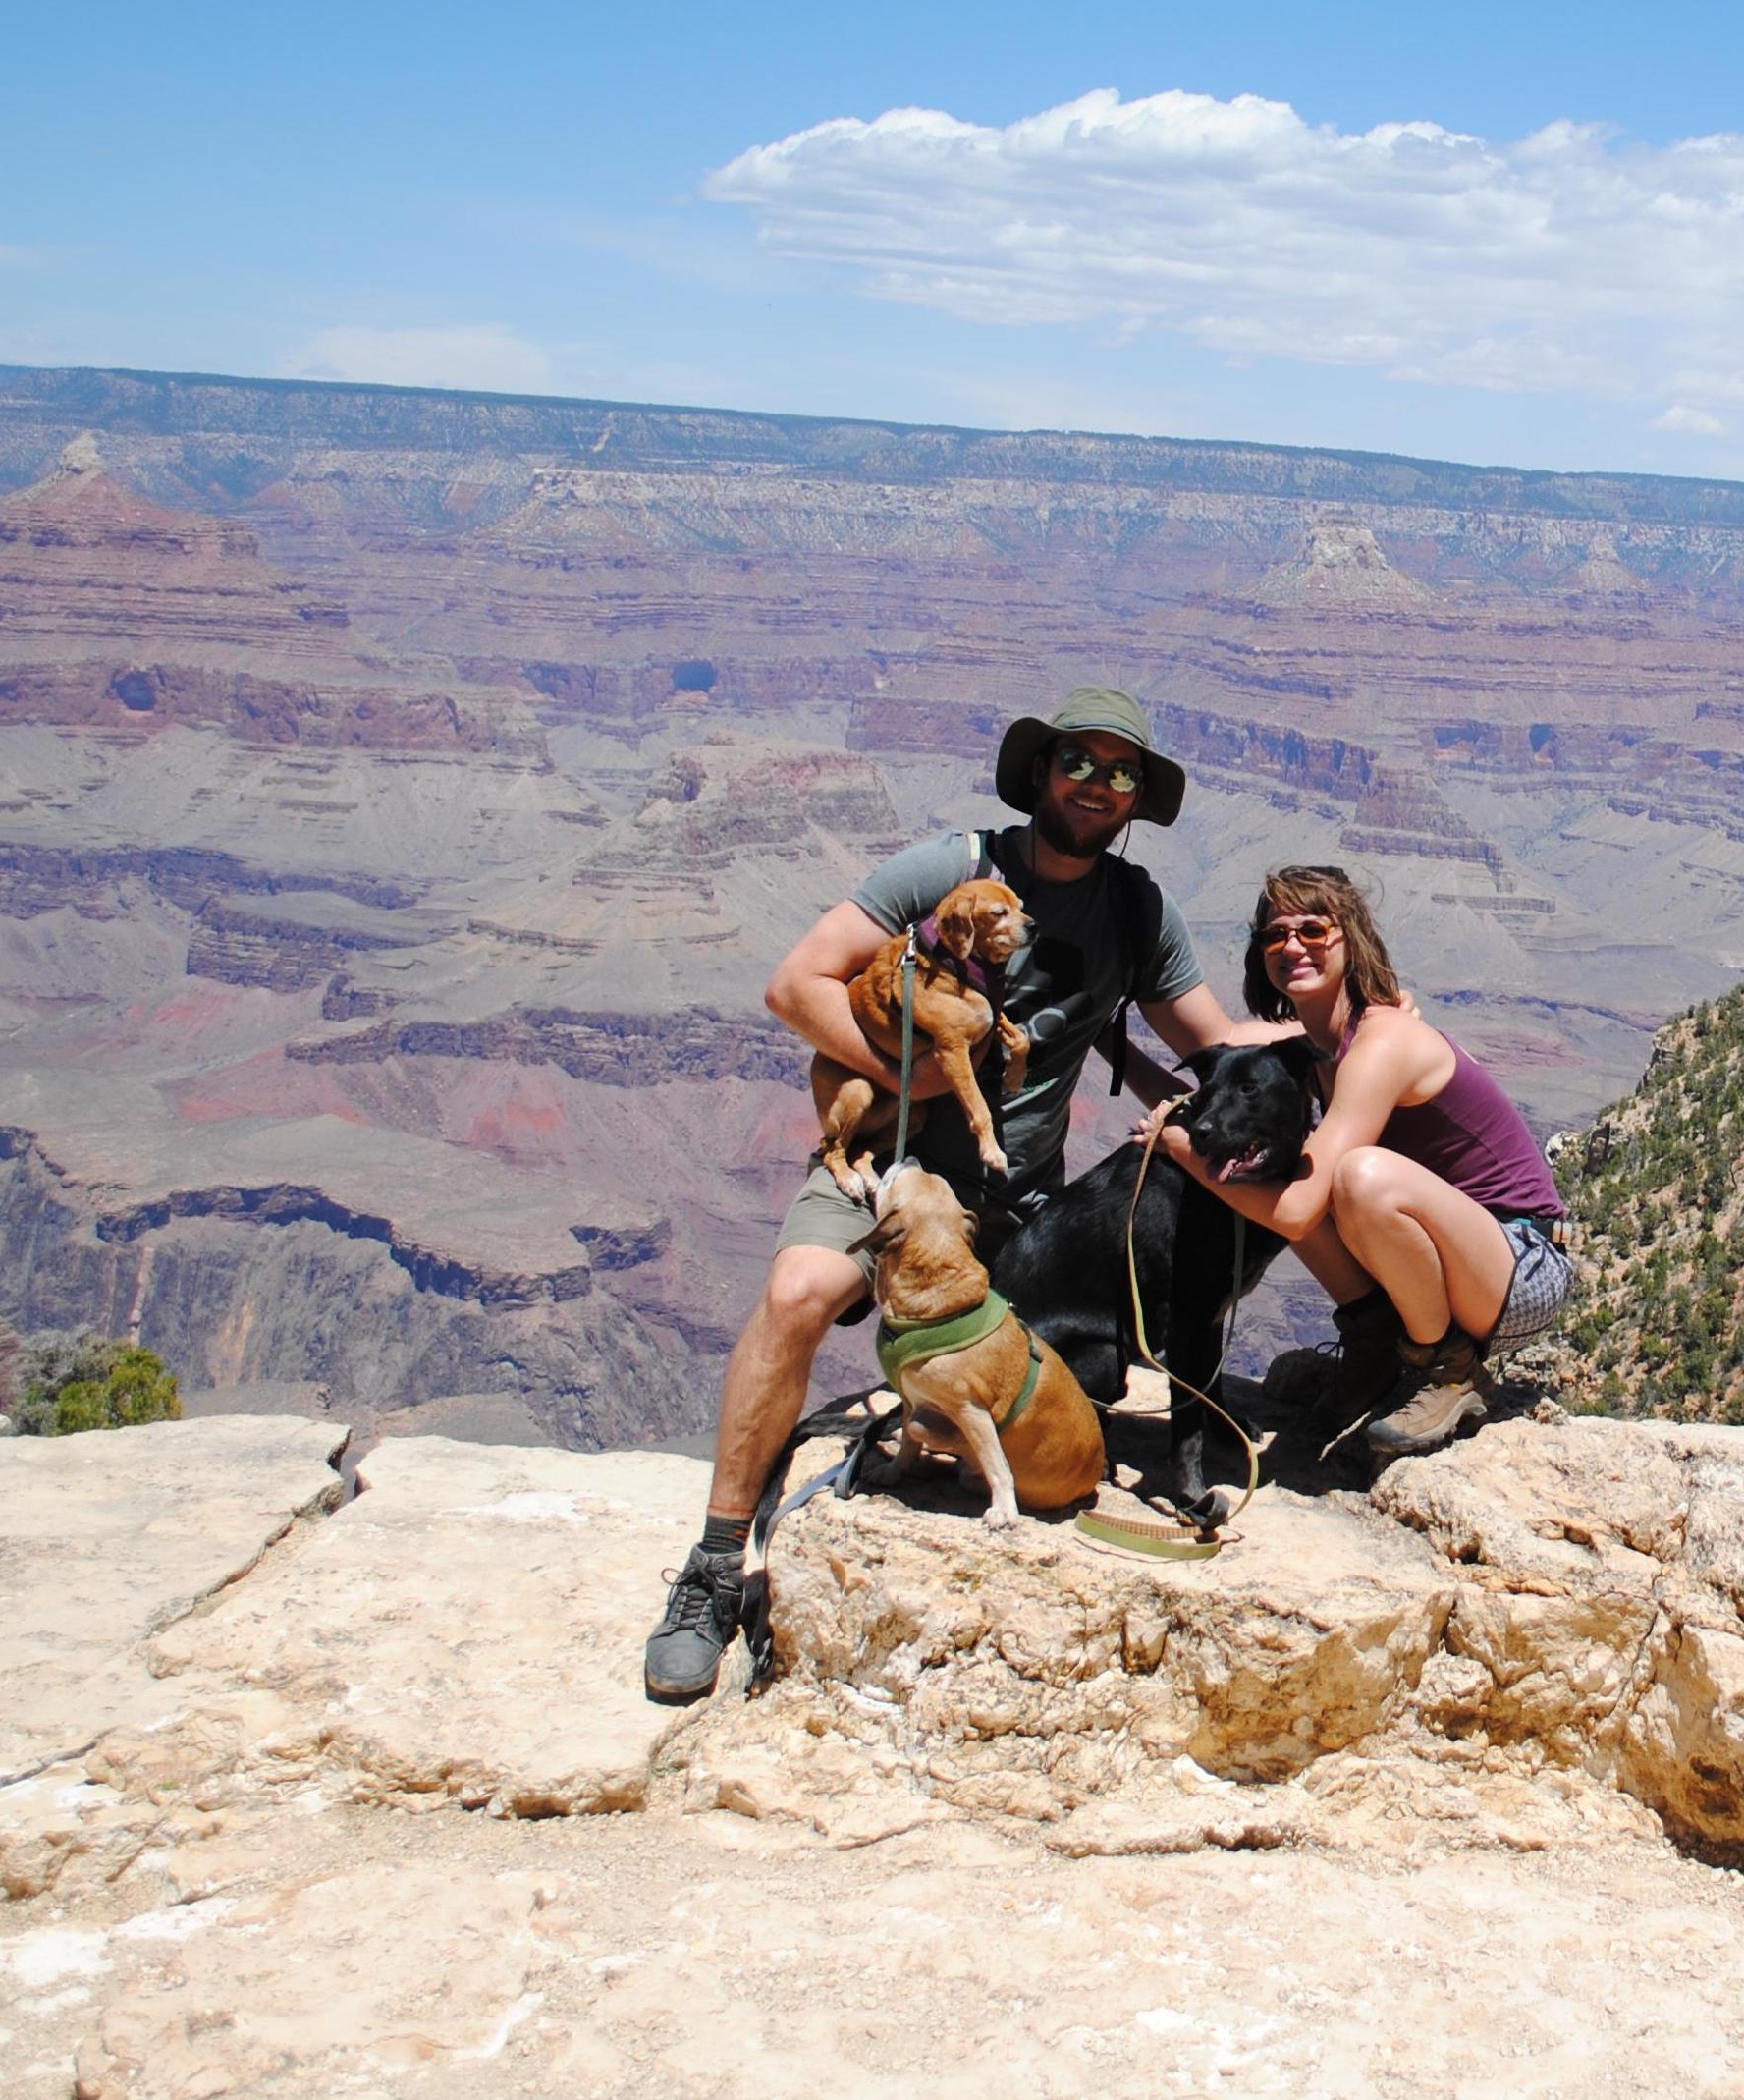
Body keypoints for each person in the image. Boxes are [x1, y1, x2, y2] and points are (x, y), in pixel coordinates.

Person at [643, 688, 1276, 1702]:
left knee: (1046, 1402)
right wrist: (916, 1079)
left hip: (1016, 1201)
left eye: (1121, 772)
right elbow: (795, 984)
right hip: (889, 1166)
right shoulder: (951, 867)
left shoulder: (1133, 910)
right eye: (1079, 760)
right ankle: (715, 1564)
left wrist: (1359, 1047)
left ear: (1135, 800)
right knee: (802, 1291)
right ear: (1040, 770)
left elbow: (1211, 1043)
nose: (1096, 785)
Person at [1142, 863, 1572, 1461]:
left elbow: (1294, 1214)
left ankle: (1447, 1372)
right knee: (1293, 1163)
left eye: (1314, 930)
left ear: (1352, 938)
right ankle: (1375, 1345)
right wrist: (1105, 1040)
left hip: (1521, 1266)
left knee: (1349, 1176)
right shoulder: (1308, 1047)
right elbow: (1211, 1051)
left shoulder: (1382, 1042)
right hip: (1456, 1261)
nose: (1292, 945)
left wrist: (1179, 1145)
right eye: (1275, 934)